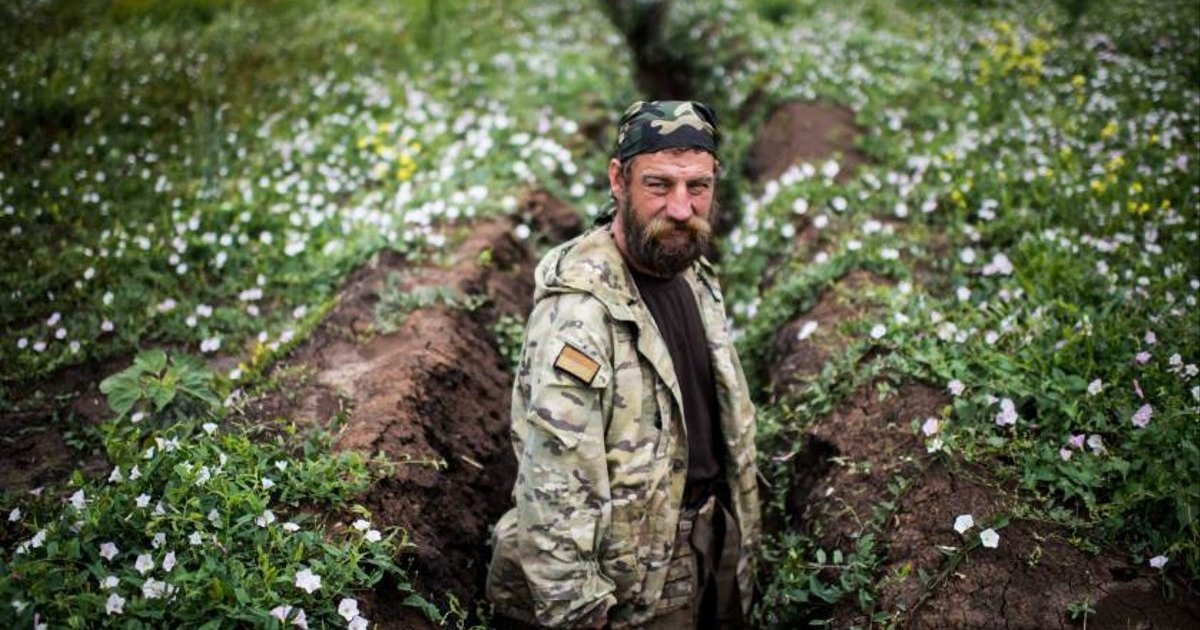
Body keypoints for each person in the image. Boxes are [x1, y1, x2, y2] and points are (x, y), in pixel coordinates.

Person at [486, 100, 761, 629]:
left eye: (698, 186)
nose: (680, 208)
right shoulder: (580, 314)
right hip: (635, 593)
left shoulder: (690, 271)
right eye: (659, 185)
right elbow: (554, 487)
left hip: (711, 553)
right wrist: (580, 610)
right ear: (618, 181)